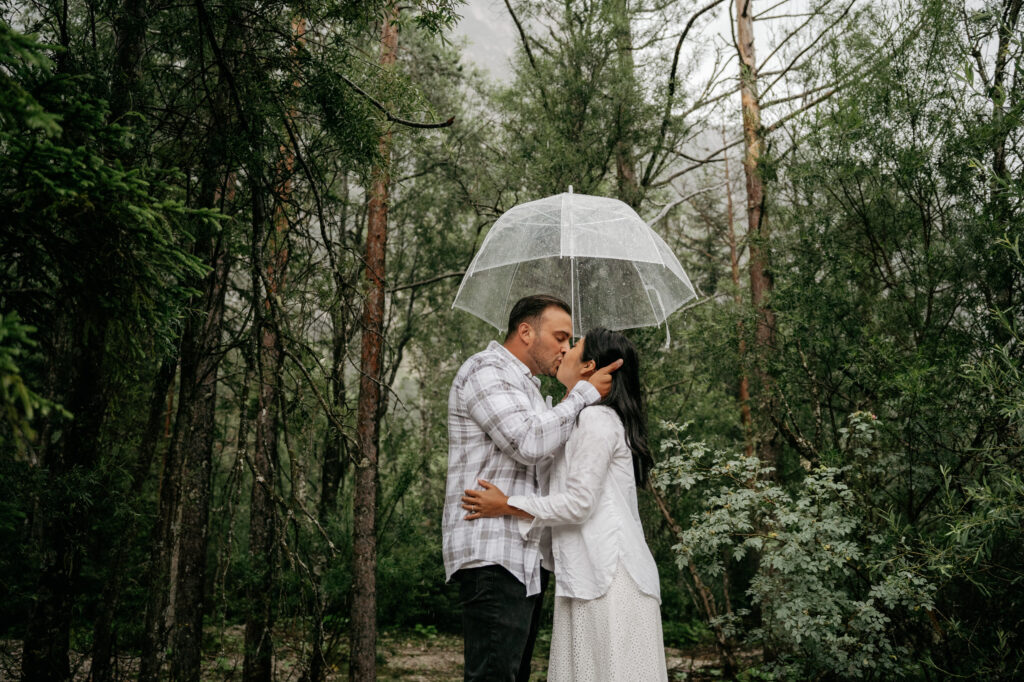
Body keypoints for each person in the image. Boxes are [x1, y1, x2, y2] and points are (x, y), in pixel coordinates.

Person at [462, 328, 668, 682]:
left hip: (612, 577)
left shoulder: (597, 420)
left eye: (574, 346)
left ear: (588, 365)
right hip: (584, 574)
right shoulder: (577, 418)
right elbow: (541, 461)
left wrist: (507, 503)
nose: (564, 350)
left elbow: (578, 504)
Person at [443, 295, 623, 682]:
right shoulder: (486, 370)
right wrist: (583, 394)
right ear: (525, 331)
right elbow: (528, 443)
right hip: (493, 552)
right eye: (560, 337)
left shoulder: (529, 390)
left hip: (526, 559)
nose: (564, 347)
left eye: (569, 340)